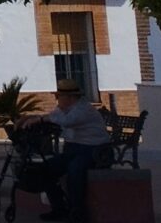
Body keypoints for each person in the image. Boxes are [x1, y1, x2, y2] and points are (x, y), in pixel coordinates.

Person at [18, 80, 108, 222]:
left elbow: (67, 121)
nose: (57, 99)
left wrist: (40, 119)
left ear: (70, 97)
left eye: (58, 96)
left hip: (93, 150)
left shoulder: (83, 109)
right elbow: (53, 117)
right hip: (73, 148)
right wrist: (32, 118)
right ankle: (59, 208)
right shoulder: (63, 110)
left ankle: (78, 211)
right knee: (47, 169)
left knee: (75, 171)